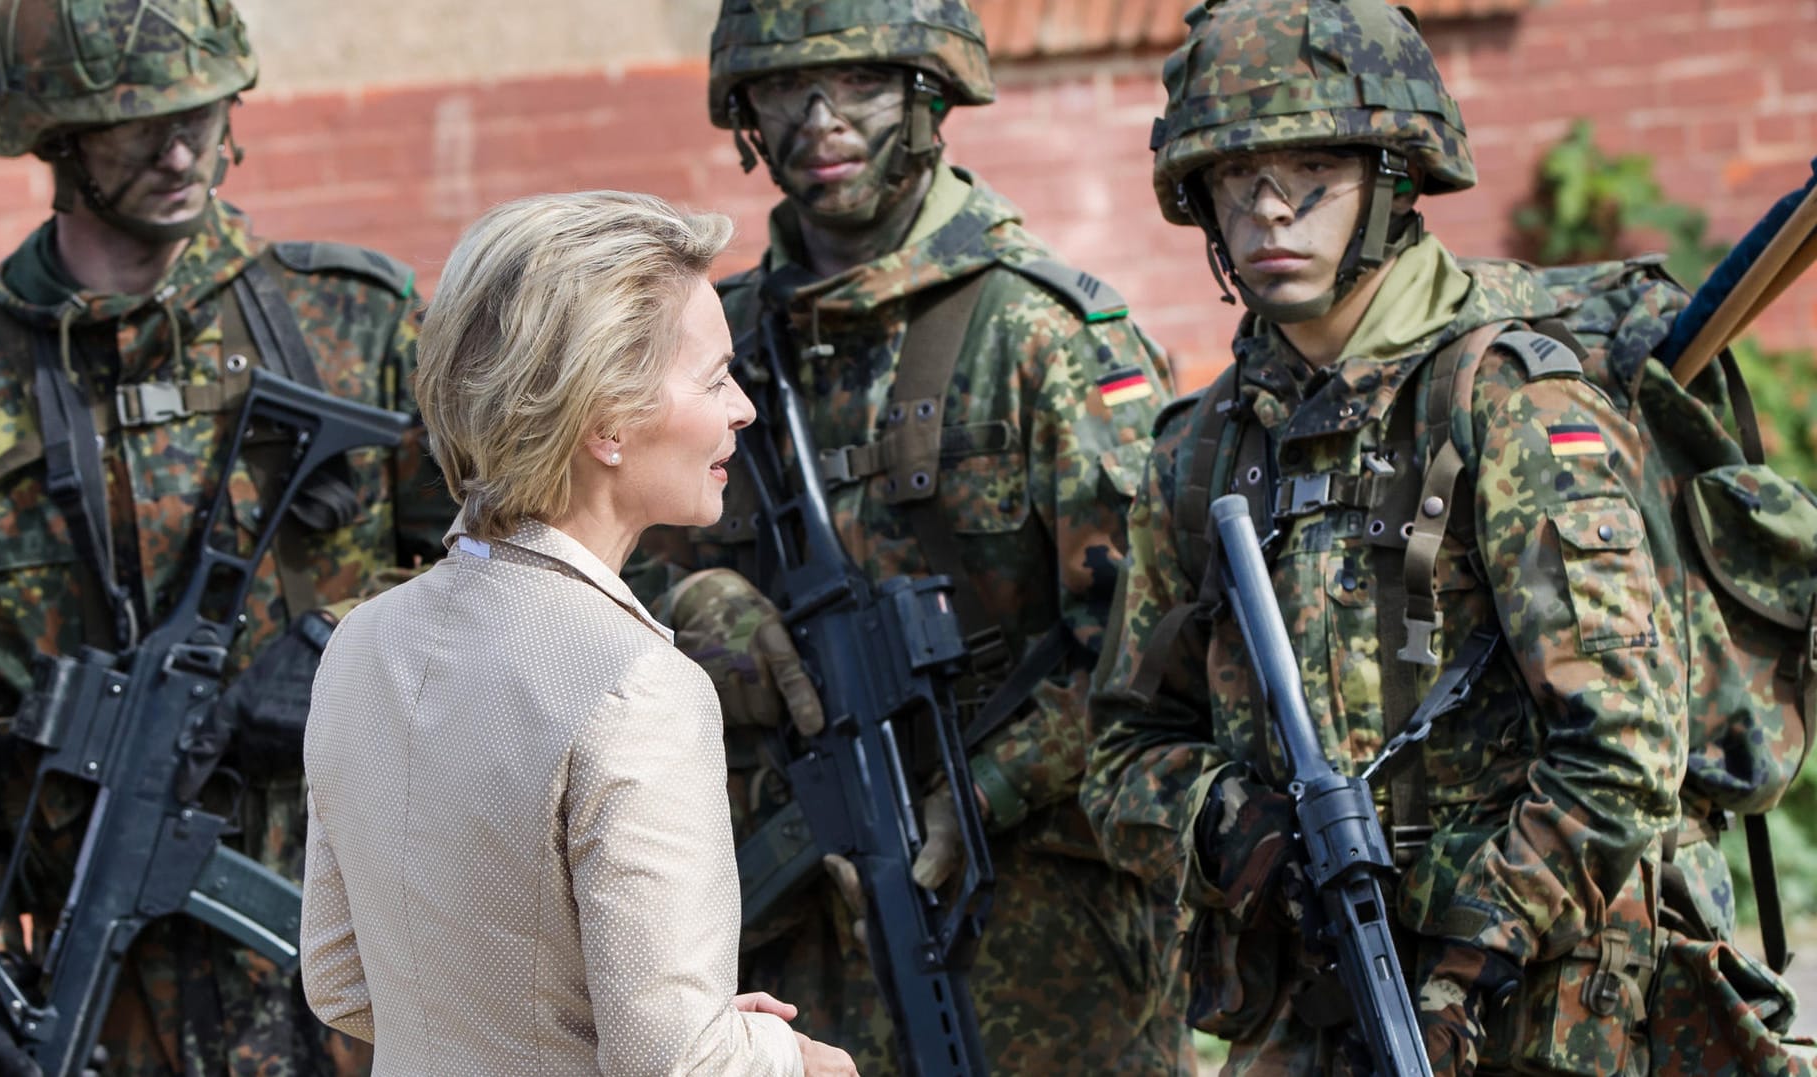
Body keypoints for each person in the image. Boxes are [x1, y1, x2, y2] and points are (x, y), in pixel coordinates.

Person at [1082, 0, 1700, 1074]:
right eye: (1235, 178)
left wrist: (1469, 960)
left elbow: (1626, 748)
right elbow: (1122, 753)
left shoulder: (1502, 401)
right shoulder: (1201, 451)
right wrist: (1237, 829)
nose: (1269, 212)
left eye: (1312, 171)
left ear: (1394, 183)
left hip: (1542, 1007)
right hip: (1304, 1009)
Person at [627, 0, 1191, 1071]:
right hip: (790, 942)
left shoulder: (1043, 337)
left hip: (1036, 926)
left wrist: (977, 793)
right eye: (786, 91)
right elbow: (586, 563)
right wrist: (688, 609)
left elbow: (1150, 647)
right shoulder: (711, 340)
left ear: (931, 93)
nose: (822, 122)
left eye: (864, 88)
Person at [0, 1, 450, 1072]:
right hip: (112, 997)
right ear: (55, 135)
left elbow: (511, 558)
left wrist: (345, 637)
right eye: (139, 124)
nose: (184, 149)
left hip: (377, 962)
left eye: (202, 112)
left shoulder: (356, 323)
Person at [300, 191, 856, 1077]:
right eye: (714, 378)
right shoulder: (639, 687)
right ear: (605, 420)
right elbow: (680, 1065)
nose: (742, 408)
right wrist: (785, 1056)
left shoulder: (359, 644)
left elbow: (342, 981)